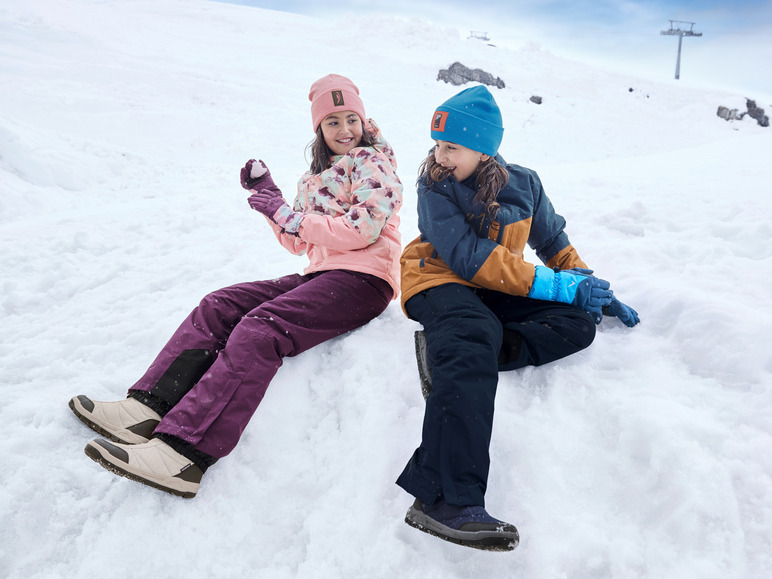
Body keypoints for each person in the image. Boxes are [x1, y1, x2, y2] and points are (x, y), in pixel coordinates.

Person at [69, 74, 403, 498]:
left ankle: (182, 453)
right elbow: (298, 241)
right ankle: (145, 409)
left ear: (363, 119)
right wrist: (272, 200)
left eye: (351, 118)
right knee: (221, 305)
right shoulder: (313, 177)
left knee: (263, 328)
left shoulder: (374, 162)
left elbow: (363, 227)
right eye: (332, 122)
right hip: (320, 275)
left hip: (364, 280)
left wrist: (290, 215)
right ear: (318, 129)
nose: (345, 130)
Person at [397, 85, 639, 551]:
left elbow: (554, 243)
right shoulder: (434, 184)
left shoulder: (524, 183)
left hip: (495, 288)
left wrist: (591, 289)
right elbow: (468, 258)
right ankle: (443, 499)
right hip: (438, 278)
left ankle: (453, 354)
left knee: (576, 324)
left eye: (452, 147)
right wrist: (555, 285)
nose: (439, 155)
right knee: (472, 330)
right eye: (438, 144)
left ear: (484, 148)